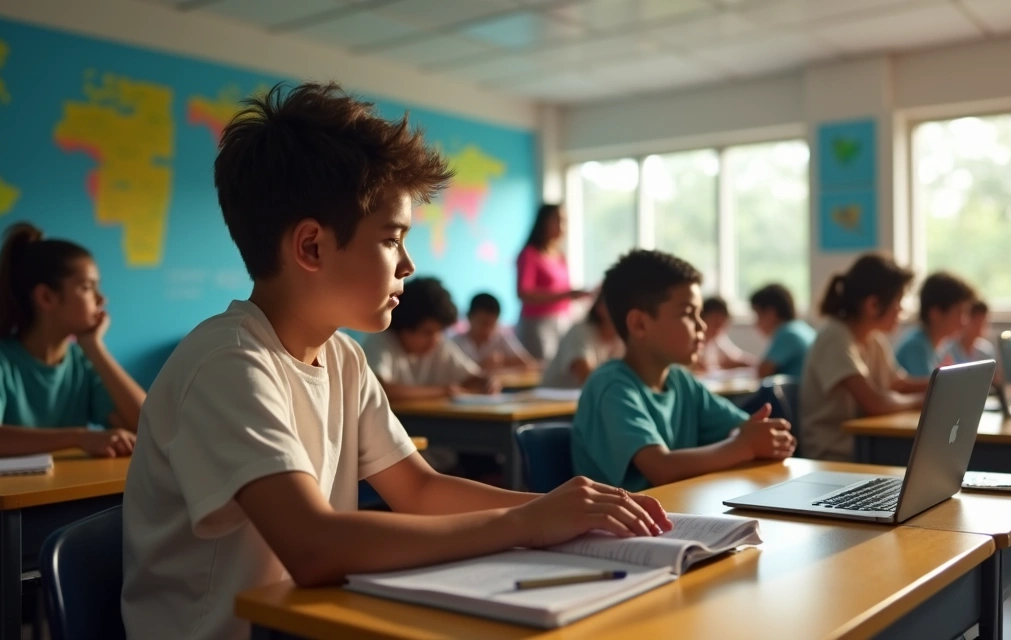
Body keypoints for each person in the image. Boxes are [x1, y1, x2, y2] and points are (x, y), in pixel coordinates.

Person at [120, 82, 670, 640]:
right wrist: (527, 521)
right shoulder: (229, 364)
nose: (408, 264)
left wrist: (560, 511)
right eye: (392, 239)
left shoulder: (342, 359)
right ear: (311, 247)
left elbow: (420, 491)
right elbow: (312, 547)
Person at [570, 249, 796, 492]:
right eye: (688, 314)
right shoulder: (611, 387)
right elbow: (661, 468)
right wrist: (745, 446)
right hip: (622, 527)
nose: (702, 325)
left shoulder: (681, 381)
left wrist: (765, 436)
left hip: (677, 516)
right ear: (639, 324)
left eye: (700, 313)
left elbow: (743, 429)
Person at [0, 222, 145, 458]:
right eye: (87, 287)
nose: (101, 299)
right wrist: (80, 436)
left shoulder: (83, 361)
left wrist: (95, 349)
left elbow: (148, 425)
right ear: (46, 297)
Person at [800, 254, 928, 461]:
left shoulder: (873, 339)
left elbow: (898, 384)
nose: (901, 309)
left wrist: (942, 382)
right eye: (898, 301)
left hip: (865, 444)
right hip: (834, 454)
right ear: (873, 305)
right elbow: (875, 403)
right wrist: (920, 401)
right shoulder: (834, 337)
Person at [361, 277, 497, 401]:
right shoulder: (380, 340)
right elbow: (380, 389)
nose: (435, 339)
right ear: (404, 327)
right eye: (427, 332)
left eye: (440, 331)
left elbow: (471, 377)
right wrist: (443, 391)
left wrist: (486, 382)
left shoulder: (438, 343)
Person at [515, 204, 588, 361]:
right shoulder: (529, 254)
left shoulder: (560, 256)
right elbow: (524, 293)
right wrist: (567, 294)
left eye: (565, 221)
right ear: (543, 222)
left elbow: (565, 291)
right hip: (537, 324)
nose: (562, 226)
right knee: (541, 368)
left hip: (562, 320)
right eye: (557, 220)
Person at [894, 272, 975, 377]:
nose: (964, 322)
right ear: (935, 313)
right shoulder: (916, 347)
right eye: (959, 313)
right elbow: (930, 391)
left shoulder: (941, 346)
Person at [540, 292, 623, 389]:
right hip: (551, 400)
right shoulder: (579, 332)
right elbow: (587, 379)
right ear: (601, 308)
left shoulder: (620, 339)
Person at [452, 292, 536, 372]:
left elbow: (529, 364)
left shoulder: (502, 339)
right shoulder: (455, 343)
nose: (487, 329)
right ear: (469, 316)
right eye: (483, 323)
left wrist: (504, 362)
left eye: (492, 324)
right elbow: (450, 374)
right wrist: (480, 366)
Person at [750, 283, 816, 380]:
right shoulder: (801, 327)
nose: (756, 323)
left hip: (796, 393)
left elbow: (762, 371)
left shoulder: (787, 334)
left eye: (758, 315)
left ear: (770, 313)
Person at [696, 296, 753, 372]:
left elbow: (738, 359)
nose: (718, 329)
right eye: (715, 323)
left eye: (722, 324)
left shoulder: (718, 340)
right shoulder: (692, 344)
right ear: (702, 319)